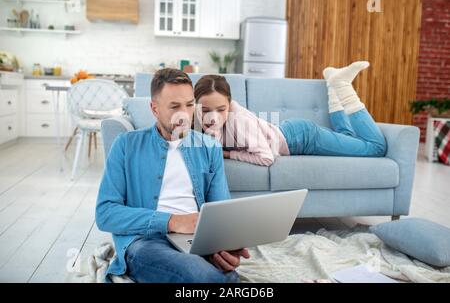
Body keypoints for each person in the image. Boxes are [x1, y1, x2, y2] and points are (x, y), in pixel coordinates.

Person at [96, 68, 249, 283]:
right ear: (154, 108)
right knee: (201, 274)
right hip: (145, 241)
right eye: (175, 106)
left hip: (196, 240)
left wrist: (224, 247)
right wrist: (172, 222)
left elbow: (220, 212)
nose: (184, 115)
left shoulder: (209, 147)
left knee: (227, 274)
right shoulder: (126, 145)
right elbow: (105, 213)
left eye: (189, 105)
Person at [193, 61, 387, 167]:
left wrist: (229, 154)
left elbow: (267, 158)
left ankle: (342, 86)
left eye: (221, 110)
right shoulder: (199, 118)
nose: (213, 117)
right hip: (292, 131)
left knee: (376, 148)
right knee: (347, 139)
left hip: (304, 139)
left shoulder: (239, 123)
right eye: (206, 110)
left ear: (229, 104)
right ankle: (332, 83)